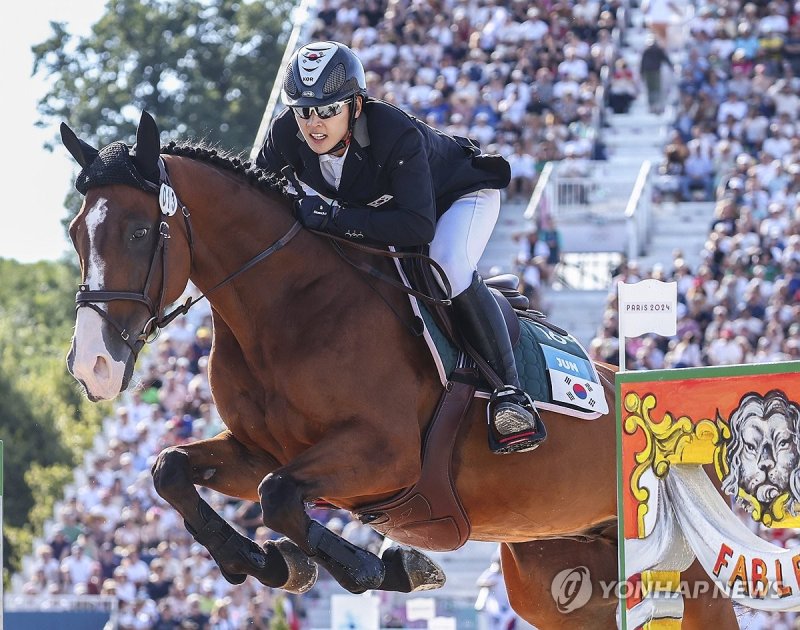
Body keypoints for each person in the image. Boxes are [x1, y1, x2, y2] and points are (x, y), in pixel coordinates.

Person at [256, 41, 542, 454]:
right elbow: (256, 196)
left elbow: (415, 226)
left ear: (355, 105)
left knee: (445, 267)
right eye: (303, 111)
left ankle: (510, 396)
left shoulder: (394, 133)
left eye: (327, 110)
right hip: (390, 210)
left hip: (458, 198)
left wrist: (333, 219)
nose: (313, 124)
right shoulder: (285, 134)